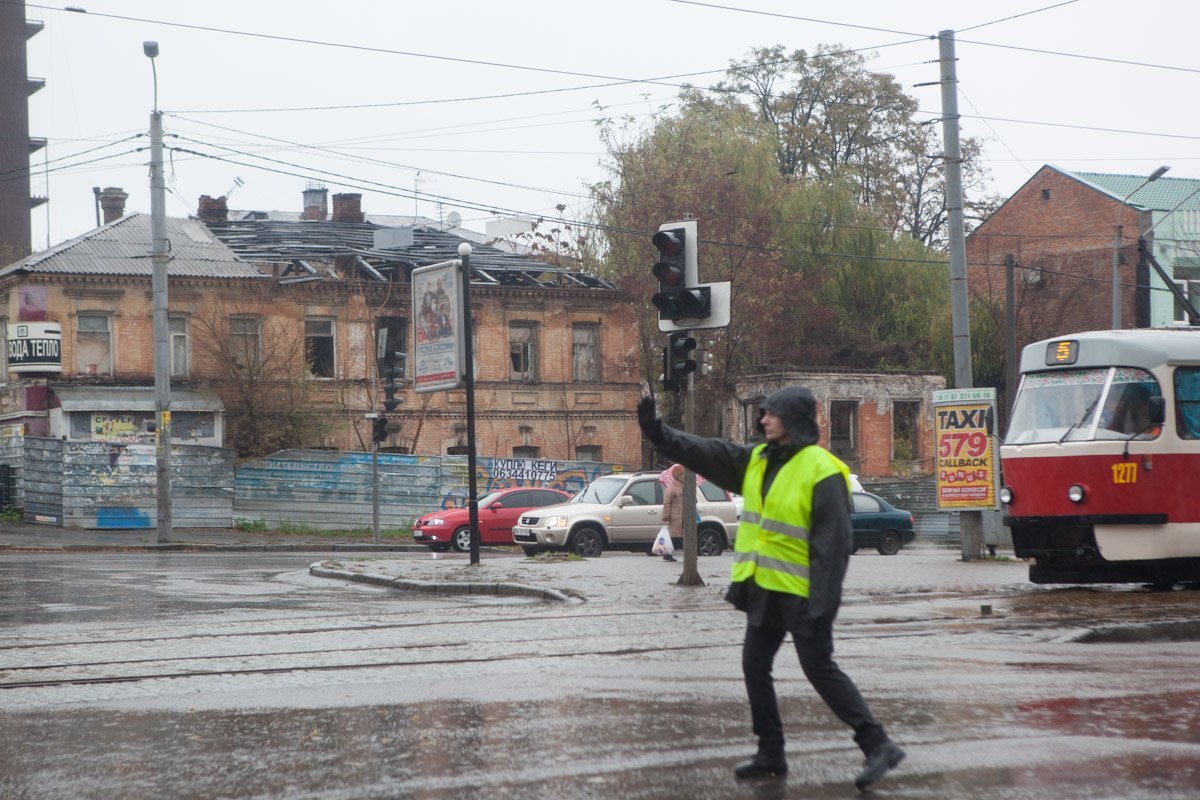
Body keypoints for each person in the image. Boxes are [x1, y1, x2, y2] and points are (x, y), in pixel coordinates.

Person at [637, 386, 905, 790]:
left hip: (805, 595)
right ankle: (771, 752)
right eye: (763, 414)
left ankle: (878, 744)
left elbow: (833, 545)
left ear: (793, 419)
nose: (763, 420)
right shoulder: (758, 459)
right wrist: (658, 432)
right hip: (766, 588)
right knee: (754, 665)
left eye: (771, 414)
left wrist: (823, 604)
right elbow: (707, 451)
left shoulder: (823, 469)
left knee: (819, 668)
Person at [658, 464, 684, 562]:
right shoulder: (671, 488)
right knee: (676, 538)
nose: (684, 477)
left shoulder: (684, 487)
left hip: (683, 517)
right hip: (675, 517)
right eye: (682, 475)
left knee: (679, 537)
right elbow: (667, 504)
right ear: (678, 476)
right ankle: (669, 554)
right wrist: (665, 518)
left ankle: (668, 554)